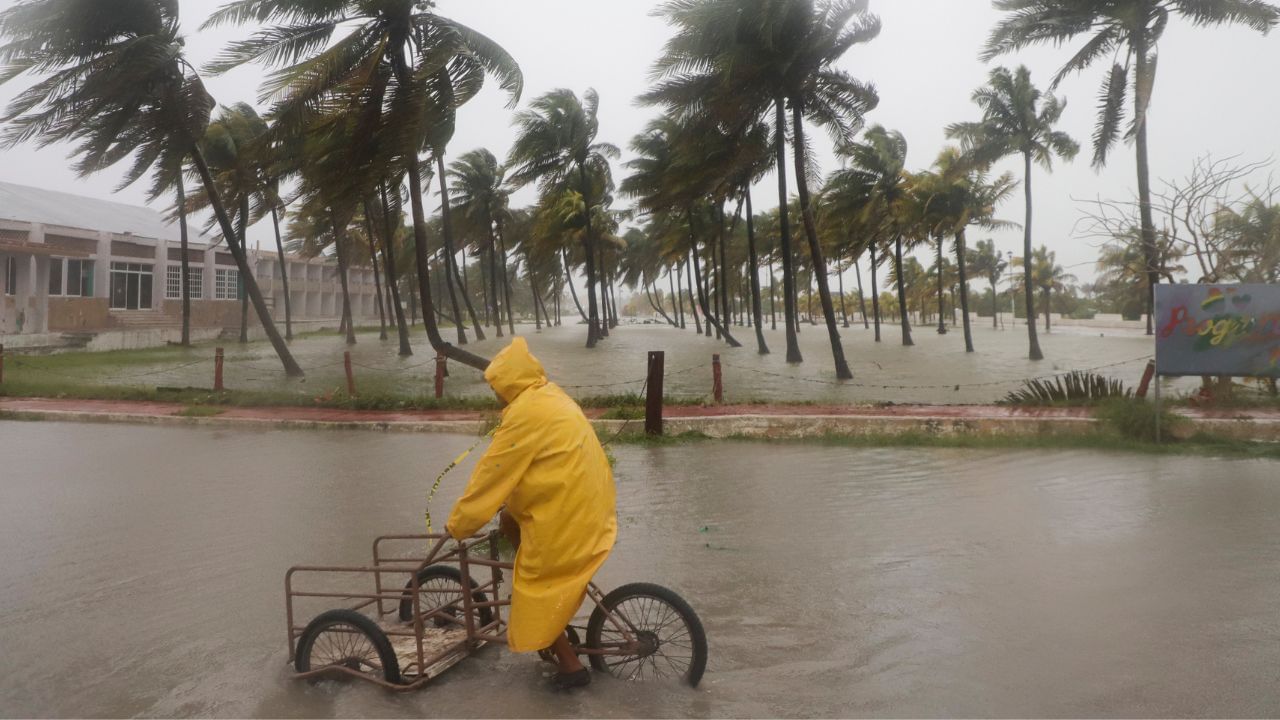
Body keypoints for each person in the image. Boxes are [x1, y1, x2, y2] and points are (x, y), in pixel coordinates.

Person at [446, 337, 617, 689]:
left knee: (532, 589)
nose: (495, 395)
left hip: (568, 515)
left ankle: (571, 669)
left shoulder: (524, 415)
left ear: (509, 383)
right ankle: (558, 623)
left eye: (496, 387)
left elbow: (491, 476)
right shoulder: (550, 395)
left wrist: (459, 525)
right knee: (509, 518)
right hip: (591, 504)